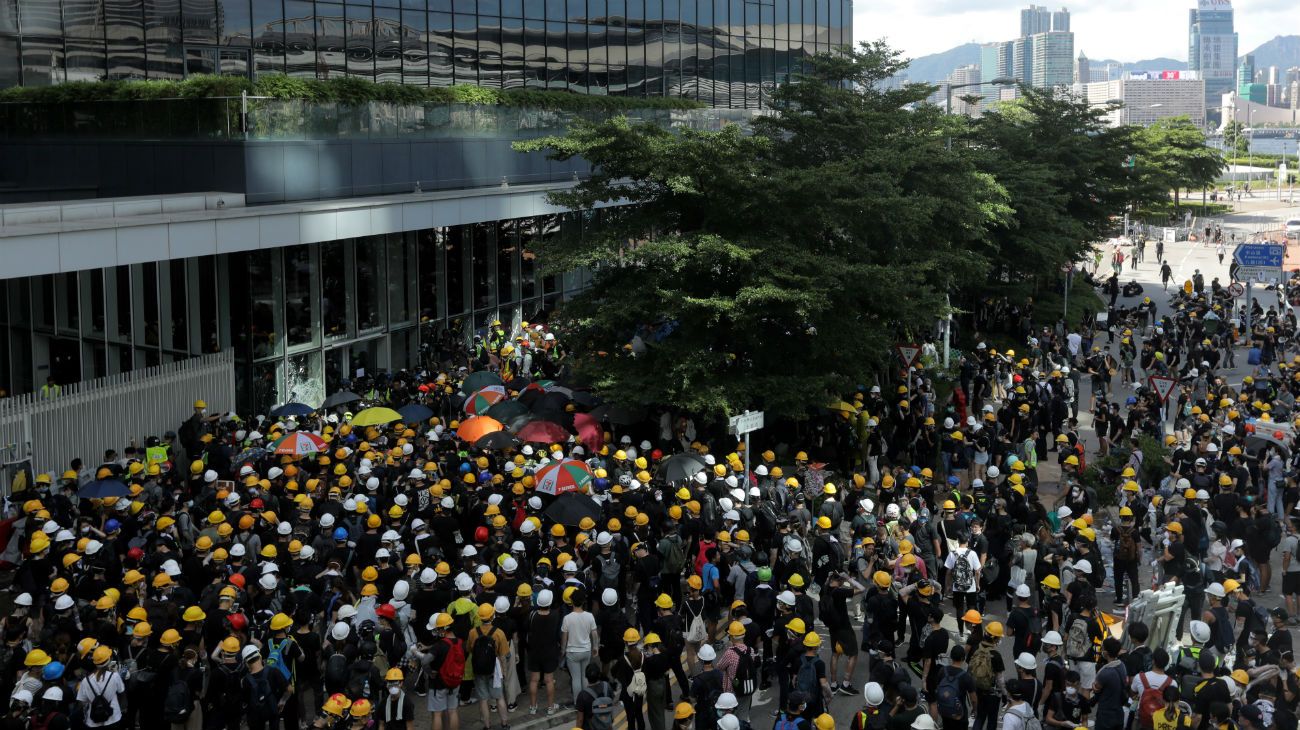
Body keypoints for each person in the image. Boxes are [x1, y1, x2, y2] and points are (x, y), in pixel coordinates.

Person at [467, 603, 510, 730]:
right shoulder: (499, 633)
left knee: (483, 699)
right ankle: (504, 724)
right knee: (499, 697)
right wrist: (504, 673)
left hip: (479, 669)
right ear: (492, 616)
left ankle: (487, 726)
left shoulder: (472, 633)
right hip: (495, 670)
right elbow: (503, 655)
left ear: (480, 617)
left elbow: (469, 649)